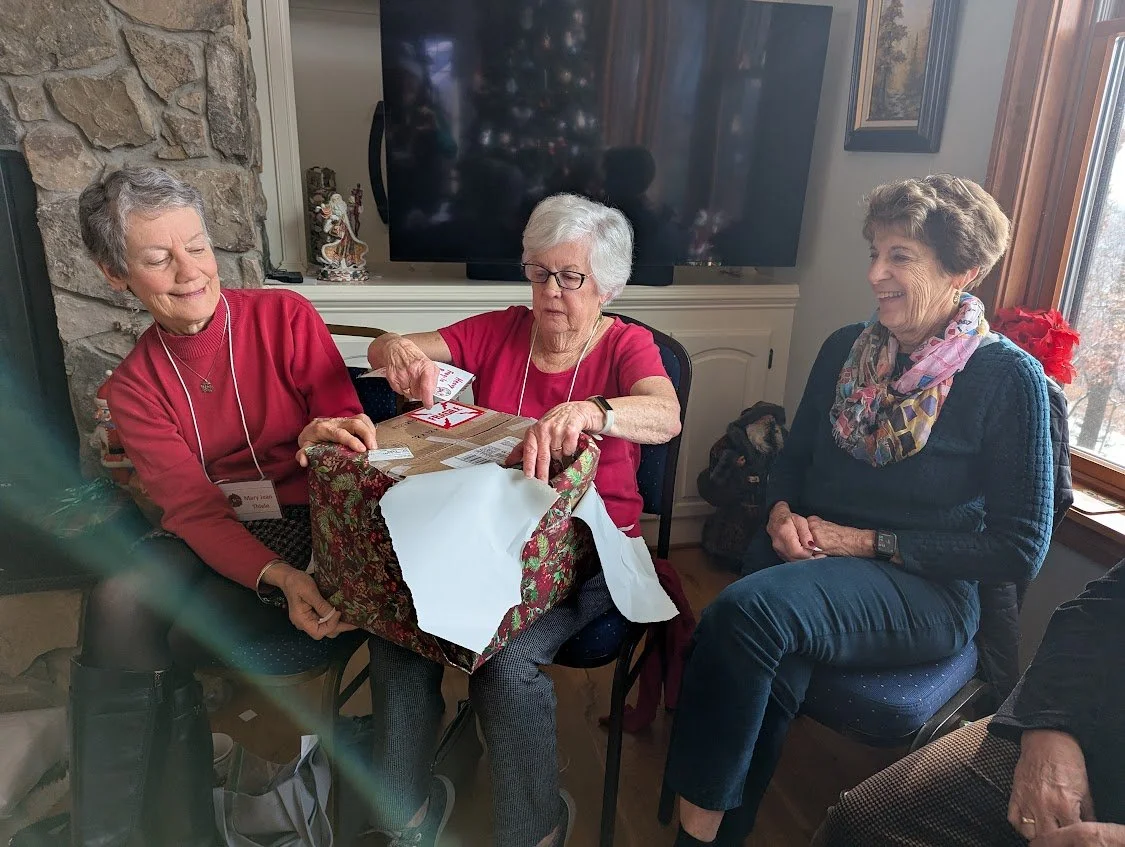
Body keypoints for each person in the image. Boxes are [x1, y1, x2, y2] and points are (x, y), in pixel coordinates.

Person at [662, 174, 1055, 846]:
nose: (874, 274)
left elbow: (1019, 547)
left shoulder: (1006, 378)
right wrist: (779, 510)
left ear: (962, 270)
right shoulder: (845, 349)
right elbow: (792, 457)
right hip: (804, 554)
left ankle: (692, 840)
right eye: (874, 252)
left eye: (900, 256)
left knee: (747, 614)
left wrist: (859, 541)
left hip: (922, 587)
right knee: (760, 655)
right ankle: (719, 836)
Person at [64, 167, 378, 847]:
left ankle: (175, 825)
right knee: (120, 599)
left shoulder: (284, 317)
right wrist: (279, 578)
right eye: (158, 258)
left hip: (315, 525)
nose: (190, 272)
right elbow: (197, 514)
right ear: (116, 274)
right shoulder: (134, 388)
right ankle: (115, 834)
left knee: (163, 639)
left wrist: (324, 435)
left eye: (198, 247)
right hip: (223, 536)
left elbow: (349, 436)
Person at [364, 192, 682, 847]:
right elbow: (389, 350)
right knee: (397, 629)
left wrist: (592, 410)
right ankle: (406, 817)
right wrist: (397, 350)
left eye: (570, 277)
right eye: (539, 272)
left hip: (591, 549)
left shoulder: (628, 344)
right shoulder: (502, 328)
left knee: (504, 665)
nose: (549, 291)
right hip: (488, 537)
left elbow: (664, 413)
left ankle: (534, 828)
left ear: (606, 286)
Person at [813, 557, 1125, 846]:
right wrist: (1050, 730)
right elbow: (1095, 612)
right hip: (1085, 726)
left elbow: (1019, 549)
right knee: (857, 821)